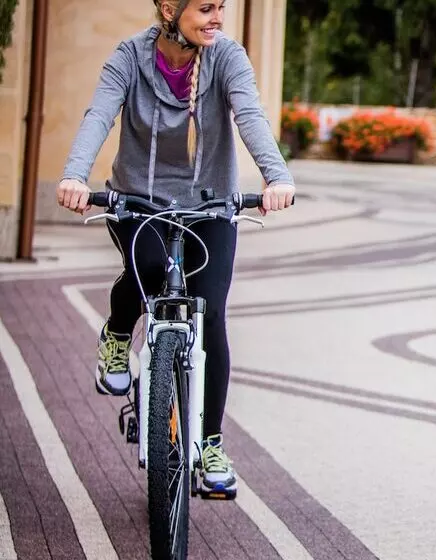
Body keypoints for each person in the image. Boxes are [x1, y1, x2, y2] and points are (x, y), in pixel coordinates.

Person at [56, 0, 295, 496]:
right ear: (169, 8)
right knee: (143, 272)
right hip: (139, 202)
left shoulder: (228, 58)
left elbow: (249, 115)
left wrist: (277, 177)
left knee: (209, 314)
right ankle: (119, 333)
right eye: (205, 8)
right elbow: (98, 114)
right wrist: (75, 175)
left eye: (221, 8)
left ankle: (209, 444)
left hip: (210, 207)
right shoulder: (129, 58)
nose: (217, 19)